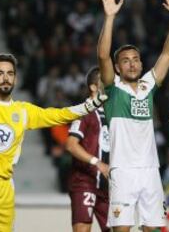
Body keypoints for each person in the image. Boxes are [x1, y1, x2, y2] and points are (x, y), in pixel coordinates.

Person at [0, 0, 106, 232]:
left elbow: (58, 115)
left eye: (9, 74)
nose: (5, 77)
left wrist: (88, 106)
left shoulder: (22, 111)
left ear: (15, 78)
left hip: (5, 187)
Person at [97, 0, 169, 232]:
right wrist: (110, 18)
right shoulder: (113, 89)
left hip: (150, 171)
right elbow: (102, 55)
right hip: (122, 171)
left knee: (152, 229)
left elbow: (168, 53)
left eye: (135, 59)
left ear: (141, 63)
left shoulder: (147, 86)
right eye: (125, 60)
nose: (132, 64)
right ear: (117, 67)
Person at [65, 66, 110, 232]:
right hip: (85, 182)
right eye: (104, 80)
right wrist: (96, 162)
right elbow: (70, 144)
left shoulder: (112, 113)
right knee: (83, 228)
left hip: (107, 185)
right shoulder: (84, 111)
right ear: (93, 87)